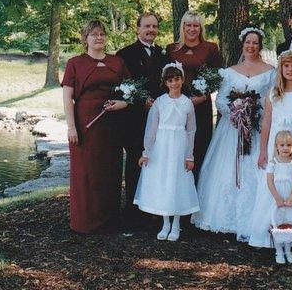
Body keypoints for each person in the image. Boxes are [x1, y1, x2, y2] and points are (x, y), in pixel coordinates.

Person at [192, 27, 275, 241]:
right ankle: (224, 218)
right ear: (242, 44)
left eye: (255, 43)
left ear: (260, 46)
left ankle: (254, 221)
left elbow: (272, 99)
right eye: (248, 42)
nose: (251, 46)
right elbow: (221, 99)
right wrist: (236, 115)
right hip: (232, 129)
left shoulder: (270, 71)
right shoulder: (229, 71)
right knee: (227, 170)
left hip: (256, 129)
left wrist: (253, 114)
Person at [62, 20, 130, 233]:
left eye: (102, 34)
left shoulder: (117, 62)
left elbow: (131, 91)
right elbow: (67, 97)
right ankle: (85, 222)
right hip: (85, 125)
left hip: (112, 125)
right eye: (94, 34)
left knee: (109, 170)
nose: (99, 37)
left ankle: (108, 221)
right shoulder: (75, 63)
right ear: (85, 38)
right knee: (86, 172)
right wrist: (71, 127)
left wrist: (123, 104)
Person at [133, 63, 199, 241]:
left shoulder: (187, 103)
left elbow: (191, 130)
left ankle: (176, 223)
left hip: (179, 146)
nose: (174, 83)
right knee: (164, 181)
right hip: (161, 148)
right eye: (170, 80)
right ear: (165, 83)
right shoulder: (160, 102)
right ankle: (165, 223)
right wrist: (147, 152)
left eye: (177, 79)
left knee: (177, 181)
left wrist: (189, 155)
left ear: (182, 80)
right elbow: (151, 129)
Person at [116, 12, 167, 226]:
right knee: (136, 162)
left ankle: (152, 209)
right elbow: (121, 86)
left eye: (154, 27)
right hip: (134, 118)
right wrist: (141, 100)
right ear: (137, 29)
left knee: (156, 162)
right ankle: (132, 212)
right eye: (147, 26)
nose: (151, 30)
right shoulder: (125, 54)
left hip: (159, 118)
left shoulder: (163, 54)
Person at [166, 11, 222, 180]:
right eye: (188, 25)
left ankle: (198, 187)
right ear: (182, 26)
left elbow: (218, 76)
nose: (192, 29)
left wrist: (204, 96)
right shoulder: (172, 49)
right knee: (178, 146)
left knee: (199, 145)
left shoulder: (210, 48)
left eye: (195, 25)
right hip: (178, 105)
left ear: (200, 28)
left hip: (201, 105)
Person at [248, 130, 292, 264]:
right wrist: (277, 198)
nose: (285, 148)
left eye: (289, 145)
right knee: (276, 222)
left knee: (289, 223)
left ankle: (288, 251)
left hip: (291, 196)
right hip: (275, 197)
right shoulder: (273, 163)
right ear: (276, 146)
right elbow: (270, 182)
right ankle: (279, 251)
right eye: (282, 145)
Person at [257, 50, 292, 179]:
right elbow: (266, 123)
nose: (290, 69)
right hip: (276, 142)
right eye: (286, 66)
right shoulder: (272, 93)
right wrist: (263, 150)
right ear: (281, 68)